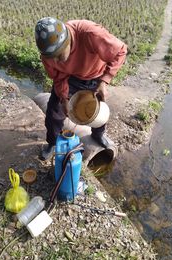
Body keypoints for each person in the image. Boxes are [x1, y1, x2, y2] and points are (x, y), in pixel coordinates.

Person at [35, 17, 127, 160]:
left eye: (59, 55)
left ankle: (98, 136)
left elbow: (120, 51)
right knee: (54, 112)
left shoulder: (90, 34)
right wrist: (64, 98)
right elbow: (58, 77)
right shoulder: (48, 56)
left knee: (97, 111)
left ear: (67, 41)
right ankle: (52, 143)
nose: (57, 61)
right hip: (69, 77)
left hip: (94, 77)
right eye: (52, 57)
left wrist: (104, 80)